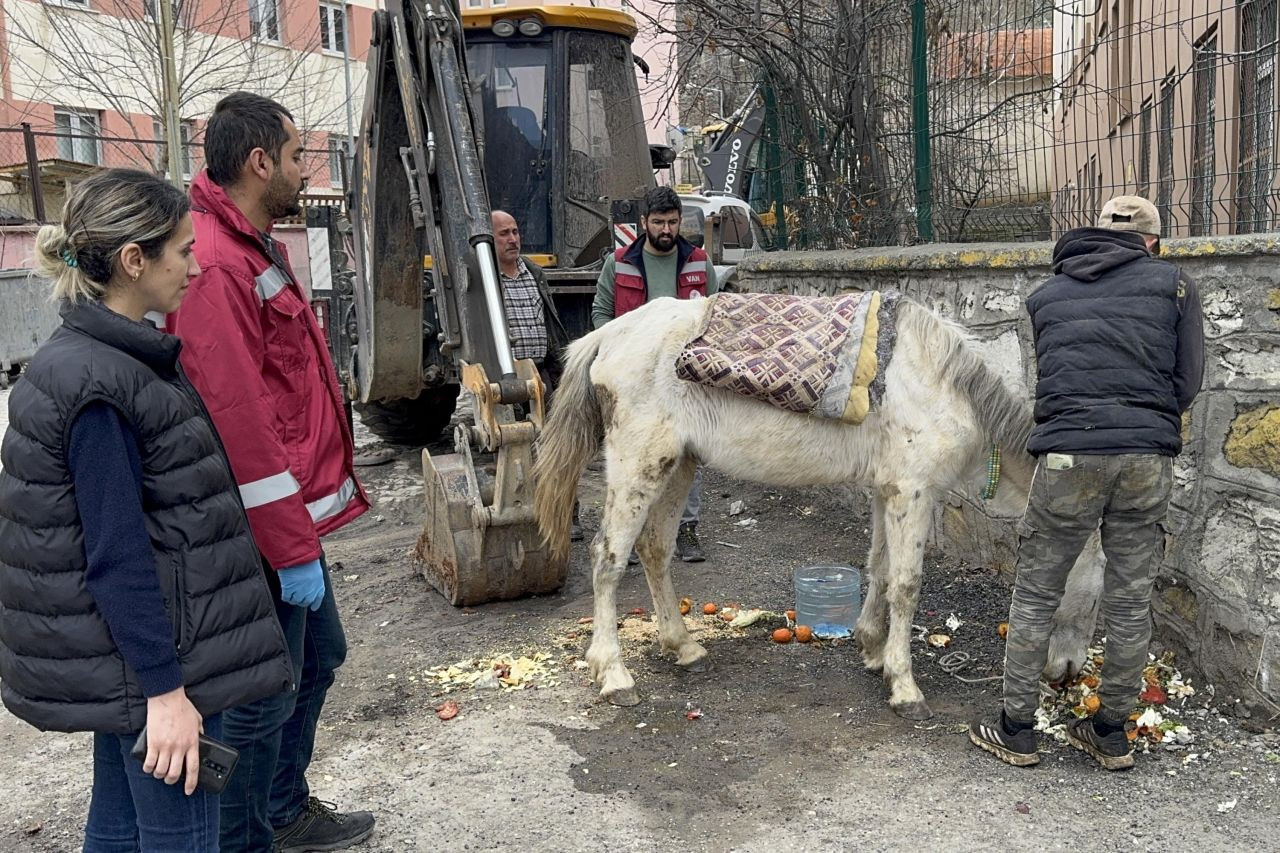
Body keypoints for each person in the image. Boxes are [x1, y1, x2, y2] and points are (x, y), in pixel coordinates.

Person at [0, 168, 293, 852]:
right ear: (135, 260)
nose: (197, 266)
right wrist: (166, 694)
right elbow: (116, 554)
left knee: (118, 828)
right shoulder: (100, 382)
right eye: (184, 251)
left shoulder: (108, 358)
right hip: (154, 664)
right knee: (177, 836)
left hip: (133, 659)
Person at [167, 93, 374, 852]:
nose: (303, 170)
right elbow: (240, 423)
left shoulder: (248, 244)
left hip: (283, 518)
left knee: (317, 659)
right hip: (253, 527)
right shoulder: (218, 264)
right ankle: (241, 837)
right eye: (294, 156)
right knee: (259, 693)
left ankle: (282, 809)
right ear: (259, 163)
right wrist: (287, 545)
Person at [969, 195, 1204, 770]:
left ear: (1097, 234)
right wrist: (1144, 424)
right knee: (1130, 599)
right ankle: (1110, 732)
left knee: (1035, 594)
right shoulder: (1176, 287)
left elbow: (1050, 379)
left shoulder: (1046, 295)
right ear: (1152, 242)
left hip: (1068, 457)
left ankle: (1017, 730)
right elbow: (1188, 381)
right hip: (1146, 457)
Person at [591, 186, 717, 562]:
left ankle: (686, 529)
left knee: (688, 452)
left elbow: (716, 313)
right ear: (644, 222)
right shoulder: (619, 263)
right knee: (633, 453)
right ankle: (631, 534)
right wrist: (616, 351)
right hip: (637, 379)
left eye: (673, 222)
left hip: (684, 378)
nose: (666, 229)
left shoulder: (698, 262)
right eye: (659, 222)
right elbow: (601, 312)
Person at [491, 209, 584, 540]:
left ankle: (567, 515)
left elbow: (550, 322)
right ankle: (528, 515)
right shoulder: (487, 282)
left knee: (558, 444)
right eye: (504, 233)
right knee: (517, 449)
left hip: (542, 372)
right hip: (507, 379)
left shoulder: (532, 272)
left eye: (515, 231)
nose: (513, 239)